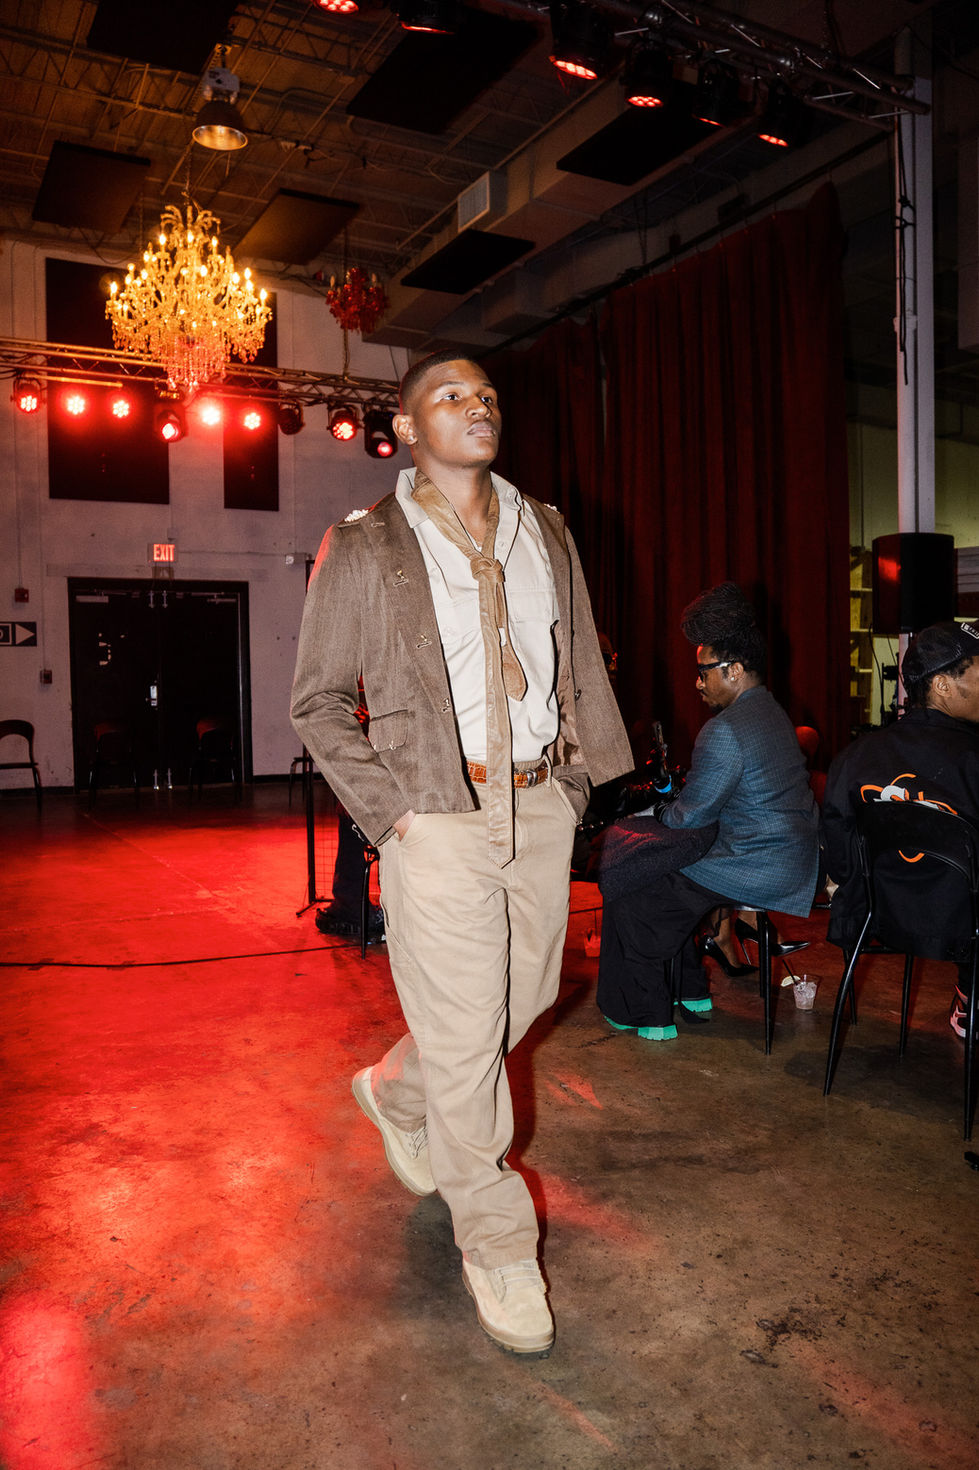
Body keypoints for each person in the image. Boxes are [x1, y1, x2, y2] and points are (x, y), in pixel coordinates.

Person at [290, 351, 632, 1354]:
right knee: (471, 1056)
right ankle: (494, 1239)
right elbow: (316, 700)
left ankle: (398, 1085)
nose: (478, 406)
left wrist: (571, 784)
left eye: (487, 395)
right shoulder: (364, 546)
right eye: (451, 395)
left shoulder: (546, 531)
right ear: (403, 428)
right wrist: (393, 815)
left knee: (522, 999)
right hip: (433, 812)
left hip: (536, 806)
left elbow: (575, 668)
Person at [597, 582, 819, 1039]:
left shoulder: (725, 730)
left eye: (704, 672)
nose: (697, 683)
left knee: (631, 882)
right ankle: (691, 990)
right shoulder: (772, 711)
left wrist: (648, 818)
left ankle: (645, 1013)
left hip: (756, 865)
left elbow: (688, 817)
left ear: (734, 670)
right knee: (662, 876)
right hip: (792, 856)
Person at [821, 620, 979, 1036]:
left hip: (877, 918)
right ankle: (970, 993)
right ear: (943, 684)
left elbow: (838, 853)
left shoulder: (855, 756)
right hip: (964, 927)